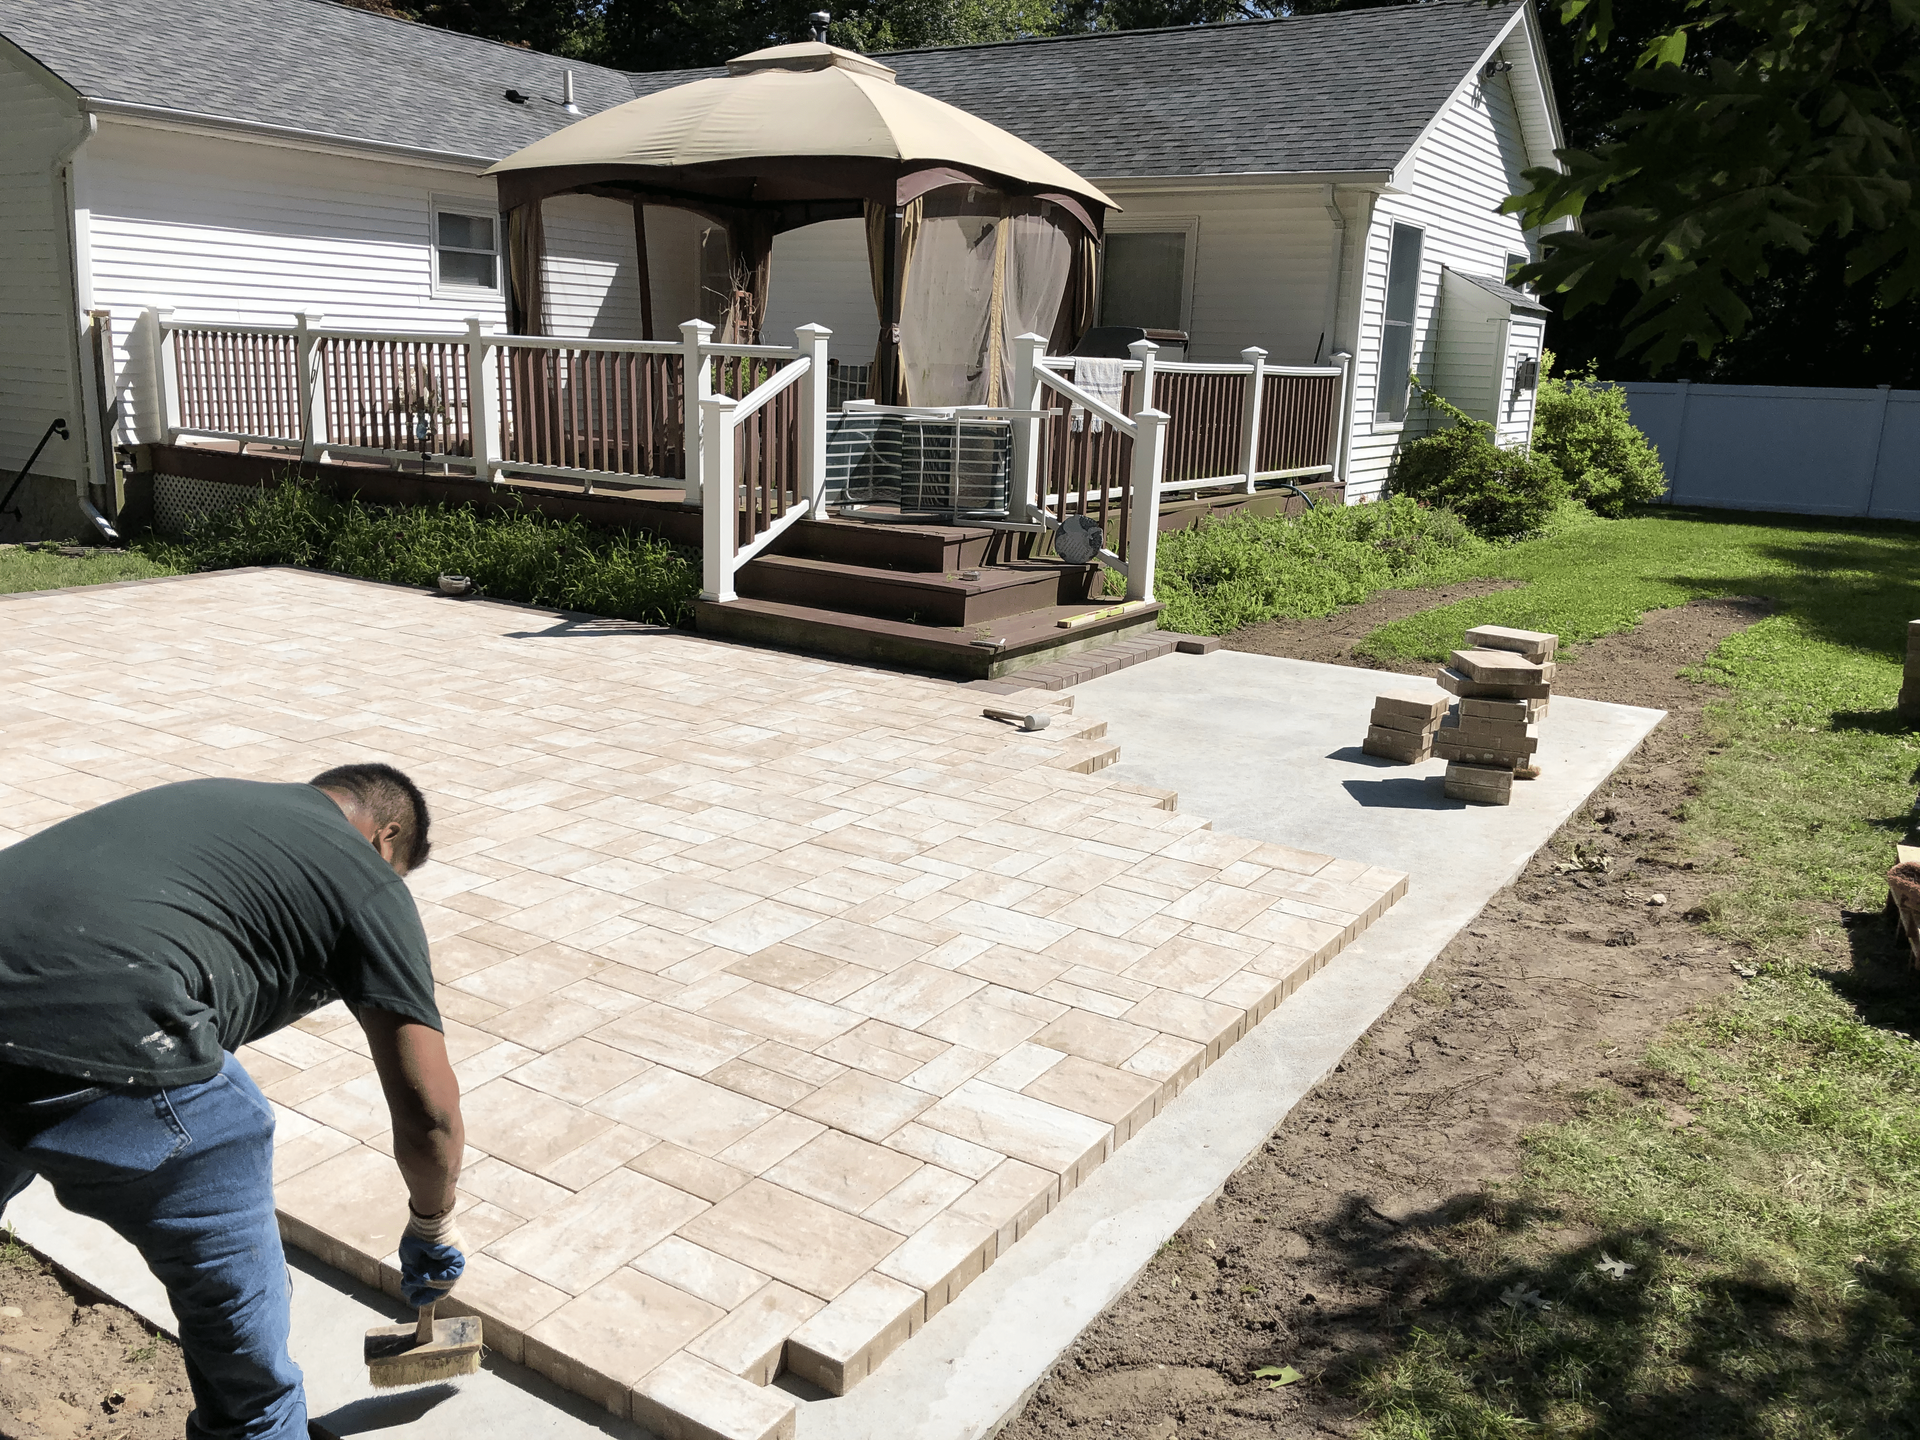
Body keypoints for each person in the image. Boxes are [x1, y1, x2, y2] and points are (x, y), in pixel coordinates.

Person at [0, 765, 470, 1440]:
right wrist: (432, 1223)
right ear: (386, 837)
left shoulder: (217, 799)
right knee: (248, 1372)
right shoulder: (362, 871)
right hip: (112, 1039)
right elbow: (430, 1111)